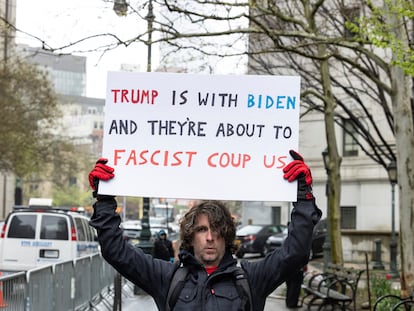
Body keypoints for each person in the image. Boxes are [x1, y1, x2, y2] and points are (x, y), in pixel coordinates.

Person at [88, 150, 322, 311]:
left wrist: (303, 197)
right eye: (201, 230)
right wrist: (105, 199)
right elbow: (116, 251)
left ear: (227, 236)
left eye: (217, 230)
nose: (210, 237)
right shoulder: (167, 278)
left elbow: (296, 253)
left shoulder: (251, 279)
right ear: (190, 236)